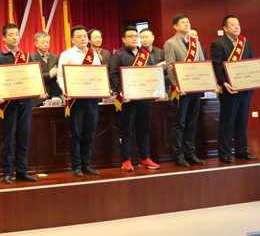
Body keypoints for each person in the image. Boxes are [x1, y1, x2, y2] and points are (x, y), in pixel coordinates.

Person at [0, 24, 44, 184]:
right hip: (8, 106)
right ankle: (7, 173)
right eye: (11, 34)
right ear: (4, 37)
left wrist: (39, 89)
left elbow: (32, 76)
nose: (15, 37)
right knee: (8, 140)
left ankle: (22, 172)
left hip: (25, 104)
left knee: (24, 139)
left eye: (17, 34)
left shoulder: (26, 55)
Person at [210, 15, 260, 163]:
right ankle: (224, 153)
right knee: (227, 122)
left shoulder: (245, 42)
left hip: (245, 88)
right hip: (230, 89)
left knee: (242, 122)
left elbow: (252, 62)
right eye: (233, 25)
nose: (237, 27)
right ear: (225, 28)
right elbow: (217, 66)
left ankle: (242, 152)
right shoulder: (218, 44)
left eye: (238, 24)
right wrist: (224, 83)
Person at [108, 27, 164, 172]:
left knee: (144, 130)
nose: (134, 38)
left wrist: (157, 90)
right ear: (123, 39)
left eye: (136, 36)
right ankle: (126, 160)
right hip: (127, 101)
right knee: (126, 131)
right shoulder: (118, 55)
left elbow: (151, 73)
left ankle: (145, 158)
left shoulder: (144, 54)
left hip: (144, 99)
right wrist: (122, 91)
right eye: (130, 36)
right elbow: (113, 75)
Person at [164, 14, 211, 168]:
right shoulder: (170, 43)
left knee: (192, 123)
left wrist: (206, 82)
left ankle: (190, 153)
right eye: (183, 22)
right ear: (175, 26)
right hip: (181, 90)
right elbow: (170, 66)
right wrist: (176, 84)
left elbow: (202, 63)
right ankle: (178, 154)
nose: (187, 24)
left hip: (195, 88)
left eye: (188, 22)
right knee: (179, 123)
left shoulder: (195, 42)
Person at [58, 25, 102, 177]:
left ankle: (86, 165)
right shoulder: (66, 55)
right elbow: (60, 75)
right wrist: (65, 89)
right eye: (79, 36)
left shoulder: (93, 55)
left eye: (84, 36)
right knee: (75, 134)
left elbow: (99, 74)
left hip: (92, 99)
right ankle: (76, 166)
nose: (83, 39)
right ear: (72, 39)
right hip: (75, 100)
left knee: (89, 134)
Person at [28, 31, 59, 107]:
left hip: (54, 94)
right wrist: (50, 74)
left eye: (47, 42)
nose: (46, 44)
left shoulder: (55, 57)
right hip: (39, 97)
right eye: (43, 42)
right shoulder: (31, 58)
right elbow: (34, 78)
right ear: (36, 43)